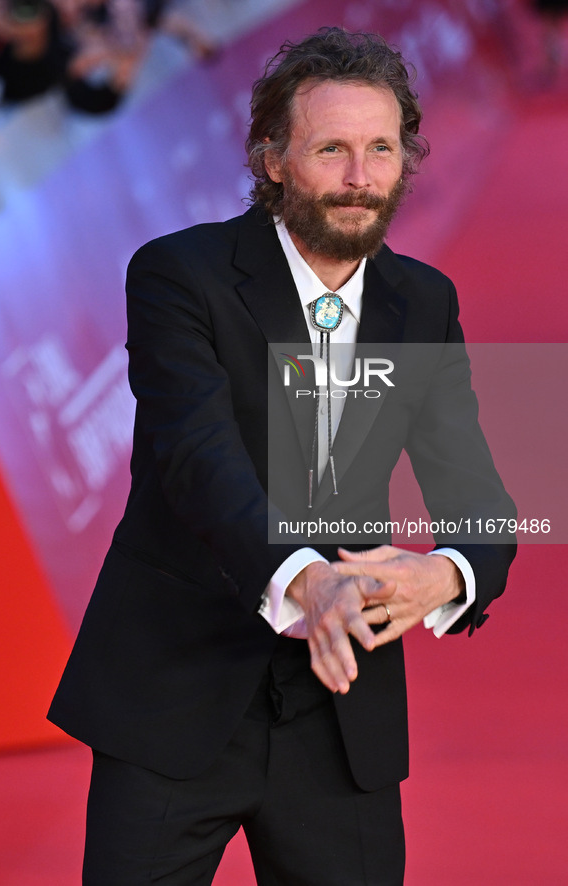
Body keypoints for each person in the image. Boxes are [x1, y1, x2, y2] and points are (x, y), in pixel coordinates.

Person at [48, 27, 516, 885]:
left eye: (380, 149)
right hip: (175, 696)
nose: (358, 177)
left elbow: (478, 495)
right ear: (270, 159)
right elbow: (198, 459)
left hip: (340, 717)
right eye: (330, 149)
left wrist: (445, 574)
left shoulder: (421, 299)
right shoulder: (179, 275)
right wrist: (308, 579)